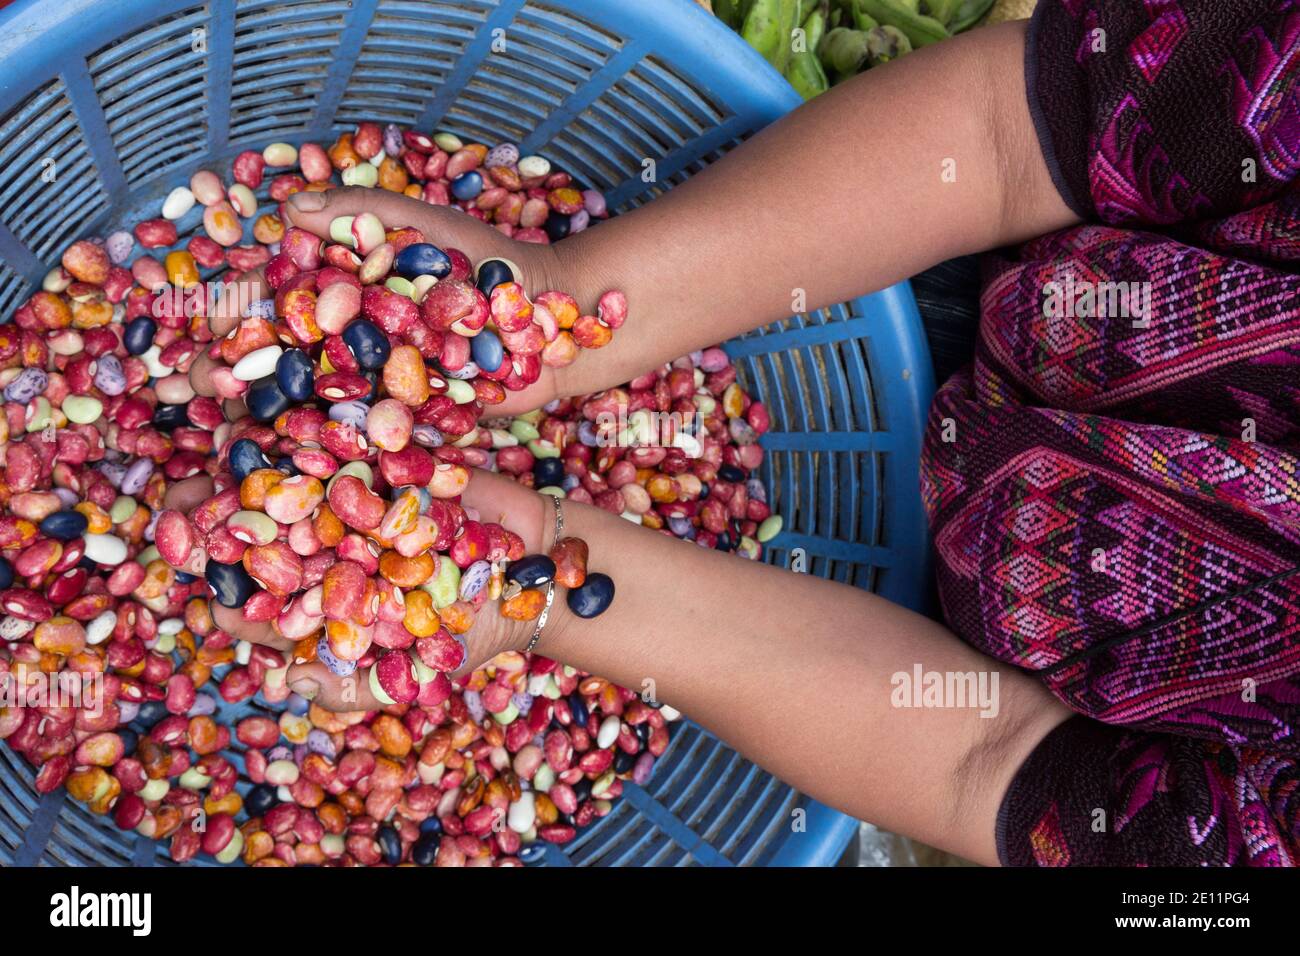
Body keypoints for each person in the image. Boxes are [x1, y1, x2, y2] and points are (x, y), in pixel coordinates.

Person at [168, 0, 1300, 866]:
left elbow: (980, 756)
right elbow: (1013, 135)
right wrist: (562, 316)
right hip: (930, 234)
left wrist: (538, 588)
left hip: (903, 684)